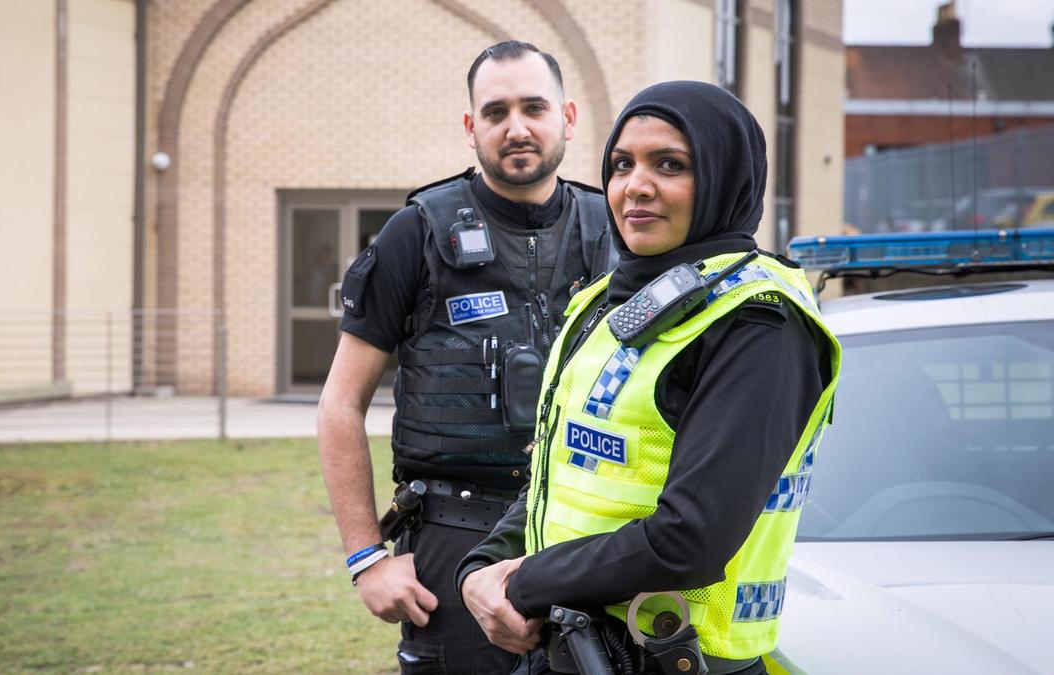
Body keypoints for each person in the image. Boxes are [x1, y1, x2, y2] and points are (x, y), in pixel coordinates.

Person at [457, 81, 843, 674]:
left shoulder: (760, 324)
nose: (635, 186)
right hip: (568, 649)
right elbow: (561, 476)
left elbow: (690, 538)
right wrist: (483, 568)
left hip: (673, 659)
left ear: (725, 178)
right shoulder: (607, 300)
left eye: (670, 165)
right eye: (621, 164)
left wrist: (524, 582)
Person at [317, 41, 614, 674]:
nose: (516, 127)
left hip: (586, 530)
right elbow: (340, 402)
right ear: (470, 126)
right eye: (495, 112)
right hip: (455, 535)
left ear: (567, 117)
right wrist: (367, 558)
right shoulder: (418, 231)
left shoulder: (615, 232)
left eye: (534, 108)